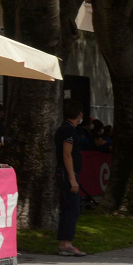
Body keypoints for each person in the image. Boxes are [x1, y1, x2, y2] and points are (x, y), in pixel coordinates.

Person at [54, 100, 86, 256]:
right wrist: (72, 178)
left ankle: (64, 242)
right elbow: (67, 154)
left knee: (68, 208)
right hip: (67, 174)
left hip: (64, 172)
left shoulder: (65, 129)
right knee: (72, 209)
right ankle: (66, 244)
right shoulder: (68, 130)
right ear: (79, 114)